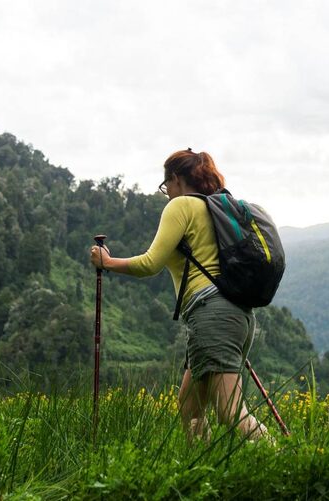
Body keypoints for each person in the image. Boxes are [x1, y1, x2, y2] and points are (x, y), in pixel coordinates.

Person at [89, 148, 269, 442]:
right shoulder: (217, 210)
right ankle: (203, 472)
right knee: (190, 409)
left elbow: (150, 263)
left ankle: (287, 460)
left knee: (230, 414)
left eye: (166, 186)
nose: (167, 193)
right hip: (236, 315)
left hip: (212, 314)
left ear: (175, 179)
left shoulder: (181, 206)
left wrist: (107, 263)